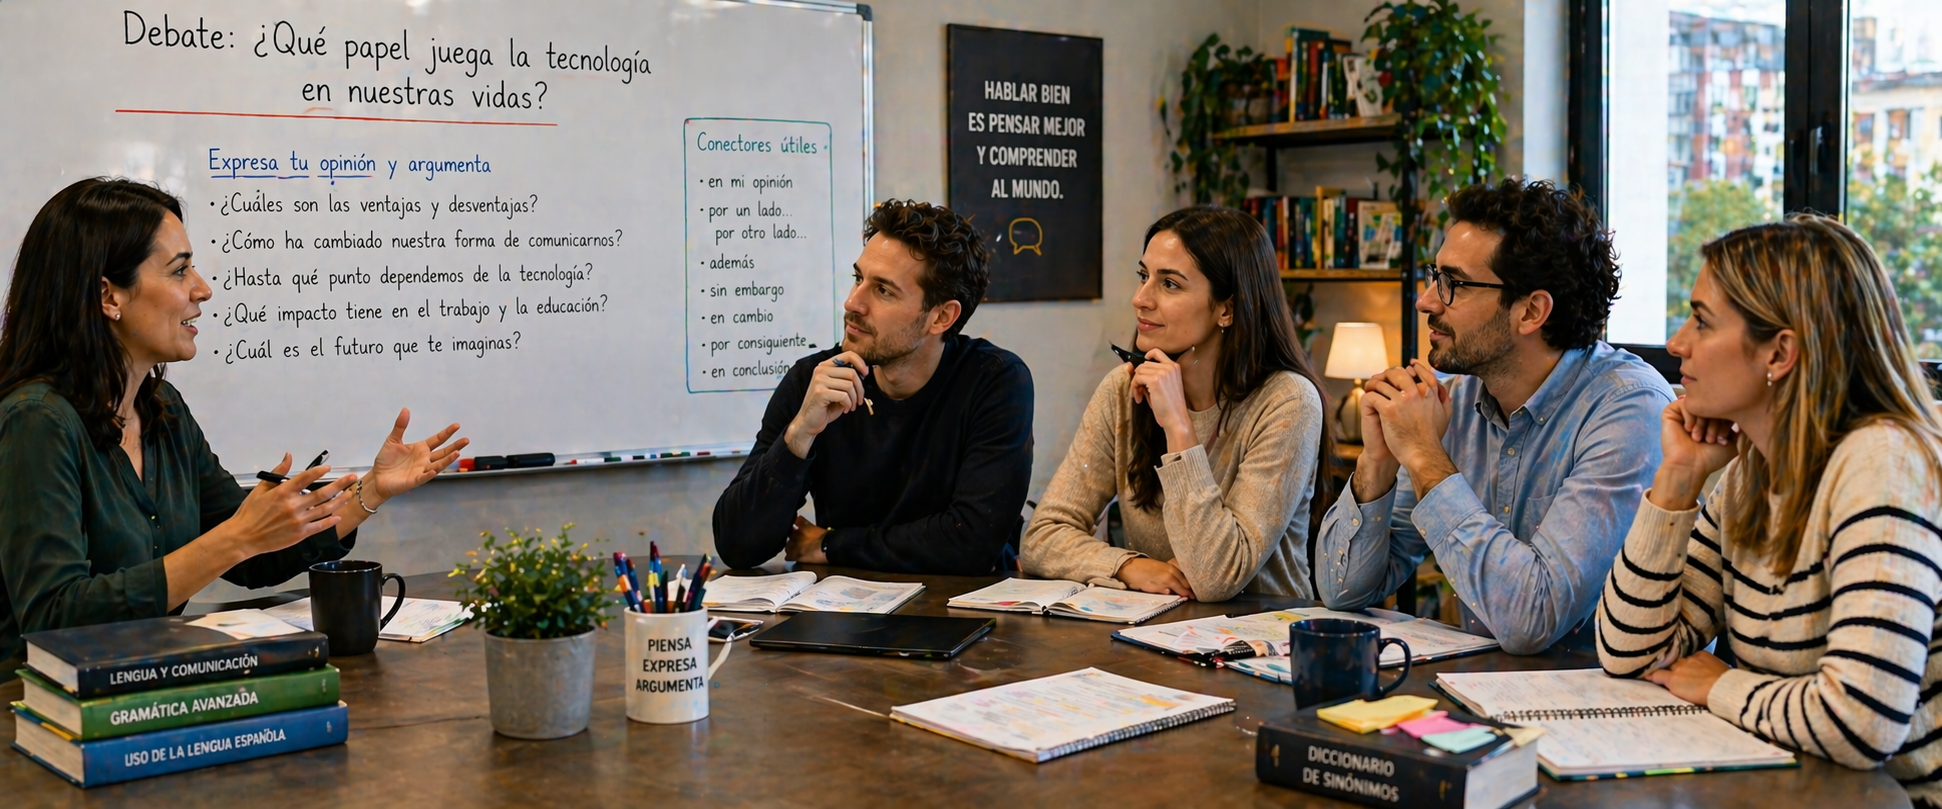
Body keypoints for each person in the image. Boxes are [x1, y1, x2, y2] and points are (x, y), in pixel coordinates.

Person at [0, 178, 468, 677]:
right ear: (107, 295)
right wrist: (235, 539)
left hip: (143, 685)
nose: (202, 289)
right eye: (180, 271)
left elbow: (255, 556)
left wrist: (370, 491)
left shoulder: (162, 410)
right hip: (39, 709)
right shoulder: (37, 421)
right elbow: (52, 617)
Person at [1598, 215, 1942, 805]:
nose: (1677, 343)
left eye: (1702, 321)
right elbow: (1631, 654)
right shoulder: (1747, 470)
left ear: (1780, 351)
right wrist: (1677, 479)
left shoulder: (1885, 462)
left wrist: (1721, 685)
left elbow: (1864, 721)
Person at [1314, 178, 1673, 653]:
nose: (1425, 300)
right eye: (1432, 276)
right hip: (1486, 697)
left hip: (1612, 708)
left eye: (1453, 284)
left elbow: (1532, 619)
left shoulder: (1629, 410)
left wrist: (1424, 457)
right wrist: (1377, 463)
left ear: (1531, 312)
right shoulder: (1454, 400)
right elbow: (1341, 592)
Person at [1020, 206, 1328, 601]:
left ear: (1226, 308)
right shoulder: (1122, 389)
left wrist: (1179, 429)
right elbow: (1042, 536)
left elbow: (1216, 576)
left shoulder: (1288, 402)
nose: (1140, 299)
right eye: (1144, 276)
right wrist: (1129, 565)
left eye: (1170, 285)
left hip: (1264, 641)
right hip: (1154, 637)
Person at [712, 200, 1033, 574]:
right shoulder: (814, 380)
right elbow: (737, 546)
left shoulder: (994, 382)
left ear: (941, 317)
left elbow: (969, 542)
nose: (853, 302)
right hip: (844, 615)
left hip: (964, 617)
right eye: (858, 278)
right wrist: (798, 436)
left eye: (883, 291)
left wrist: (831, 543)